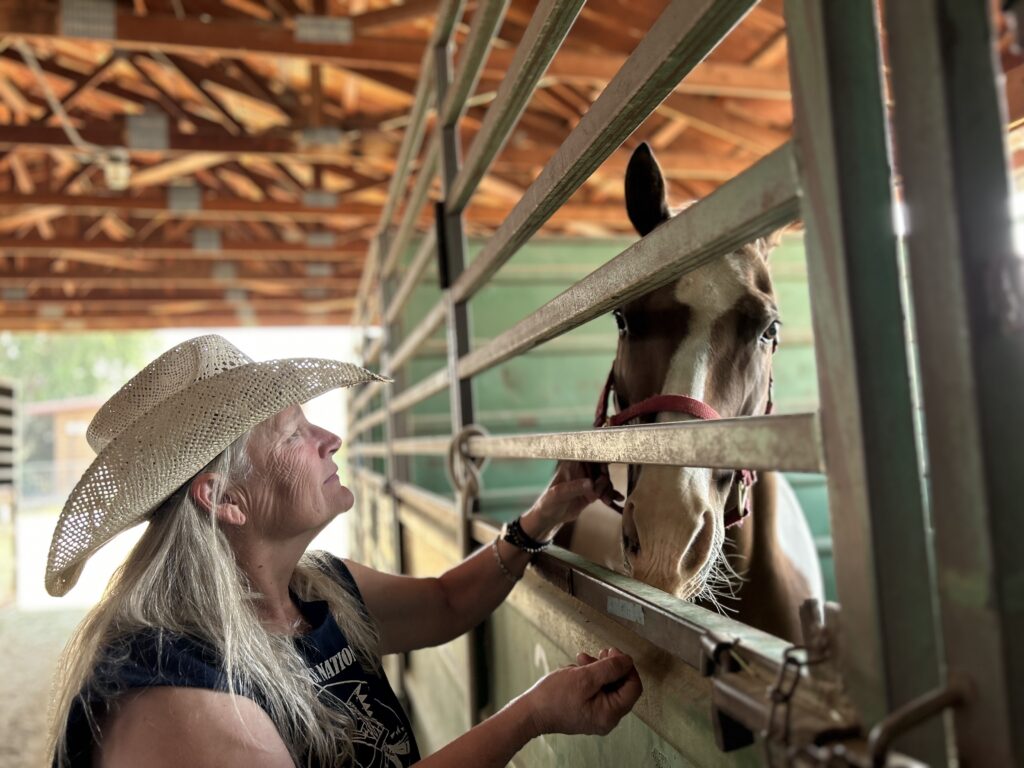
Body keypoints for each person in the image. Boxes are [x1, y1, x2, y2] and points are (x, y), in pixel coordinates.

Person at [45, 335, 643, 768]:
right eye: (294, 434)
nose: (331, 440)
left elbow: (446, 602)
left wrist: (546, 515)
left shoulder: (313, 588)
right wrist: (531, 716)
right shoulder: (174, 689)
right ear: (225, 498)